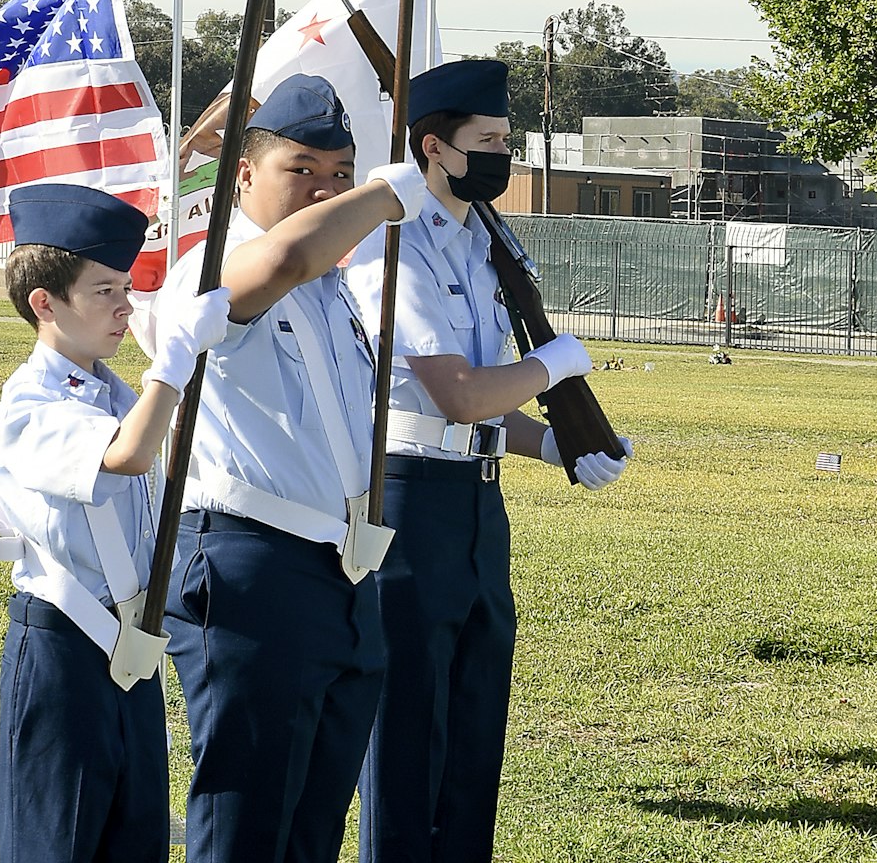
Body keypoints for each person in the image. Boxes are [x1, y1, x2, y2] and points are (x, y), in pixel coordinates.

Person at [344, 56, 633, 863]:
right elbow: (459, 396)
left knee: (474, 731)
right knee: (409, 737)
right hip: (408, 502)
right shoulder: (393, 246)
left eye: (509, 137)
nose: (505, 153)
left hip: (475, 502)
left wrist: (565, 448)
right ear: (433, 146)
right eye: (490, 139)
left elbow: (489, 418)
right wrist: (559, 362)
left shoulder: (481, 240)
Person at [156, 73, 432, 863]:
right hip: (250, 563)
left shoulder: (331, 291)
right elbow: (275, 262)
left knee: (311, 826)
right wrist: (379, 196)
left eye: (340, 173)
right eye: (302, 170)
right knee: (248, 820)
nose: (325, 190)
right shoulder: (215, 269)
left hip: (341, 572)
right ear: (243, 173)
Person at [0, 181, 229, 863]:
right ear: (45, 304)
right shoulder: (30, 400)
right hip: (64, 649)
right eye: (104, 290)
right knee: (58, 844)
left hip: (130, 646)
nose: (125, 305)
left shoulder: (112, 390)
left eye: (126, 286)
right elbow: (130, 455)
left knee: (134, 841)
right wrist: (174, 363)